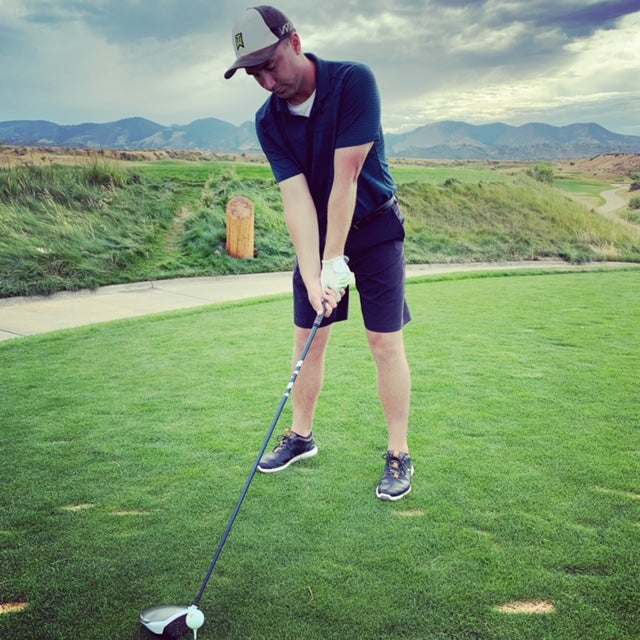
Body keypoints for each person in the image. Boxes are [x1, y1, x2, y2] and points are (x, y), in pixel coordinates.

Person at [224, 5, 413, 501]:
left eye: (270, 64)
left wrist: (334, 263)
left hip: (373, 228)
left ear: (295, 42)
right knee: (307, 335)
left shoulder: (353, 82)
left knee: (384, 343)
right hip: (321, 234)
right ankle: (301, 437)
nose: (267, 80)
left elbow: (345, 178)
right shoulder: (269, 122)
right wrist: (314, 275)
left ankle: (398, 453)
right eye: (254, 73)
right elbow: (298, 200)